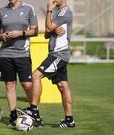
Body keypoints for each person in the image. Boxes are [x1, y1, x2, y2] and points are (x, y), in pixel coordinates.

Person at [17, 0, 75, 128]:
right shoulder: (58, 12)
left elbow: (48, 27)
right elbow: (47, 34)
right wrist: (53, 29)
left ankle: (33, 110)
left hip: (59, 55)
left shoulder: (65, 12)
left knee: (36, 75)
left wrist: (49, 9)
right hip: (56, 54)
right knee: (62, 85)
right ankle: (69, 120)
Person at [0, 0, 38, 126]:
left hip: (23, 53)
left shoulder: (29, 9)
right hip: (5, 54)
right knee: (10, 85)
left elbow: (35, 31)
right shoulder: (1, 11)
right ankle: (13, 116)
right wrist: (2, 36)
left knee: (27, 85)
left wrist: (21, 33)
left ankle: (35, 113)